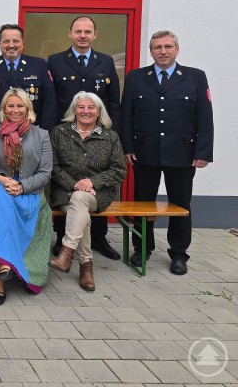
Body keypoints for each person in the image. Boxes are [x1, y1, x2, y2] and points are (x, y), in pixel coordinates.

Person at [121, 30, 214, 275]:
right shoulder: (136, 77)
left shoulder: (195, 77)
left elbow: (204, 117)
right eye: (157, 47)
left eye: (168, 46)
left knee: (181, 204)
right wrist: (127, 146)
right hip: (144, 152)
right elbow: (126, 115)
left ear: (177, 49)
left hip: (182, 153)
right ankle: (142, 248)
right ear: (150, 51)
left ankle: (179, 254)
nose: (163, 51)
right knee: (143, 205)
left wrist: (203, 151)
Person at [47, 16, 121, 261]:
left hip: (97, 135)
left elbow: (113, 102)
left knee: (92, 185)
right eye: (78, 31)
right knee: (66, 184)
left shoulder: (106, 62)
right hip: (66, 134)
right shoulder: (56, 61)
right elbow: (51, 101)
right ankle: (62, 241)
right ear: (70, 34)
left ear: (94, 35)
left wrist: (113, 135)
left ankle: (98, 239)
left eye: (87, 32)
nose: (82, 35)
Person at [0, 88, 52, 305]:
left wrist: (22, 186)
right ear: (3, 109)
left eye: (20, 106)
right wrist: (1, 179)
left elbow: (46, 172)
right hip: (1, 186)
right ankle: (0, 275)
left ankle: (0, 274)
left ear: (28, 108)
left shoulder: (41, 135)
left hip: (28, 193)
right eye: (10, 106)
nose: (15, 110)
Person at [49, 92, 126, 292]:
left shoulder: (110, 137)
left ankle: (67, 252)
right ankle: (85, 266)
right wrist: (76, 185)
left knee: (81, 200)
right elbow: (53, 167)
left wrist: (92, 181)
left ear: (99, 112)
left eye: (91, 108)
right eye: (81, 107)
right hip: (65, 191)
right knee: (79, 203)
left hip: (98, 194)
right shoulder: (59, 133)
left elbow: (119, 171)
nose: (86, 111)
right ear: (74, 110)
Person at [0, 24, 57, 137]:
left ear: (22, 42)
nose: (11, 45)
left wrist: (44, 134)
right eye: (6, 41)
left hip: (31, 133)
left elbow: (50, 103)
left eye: (16, 41)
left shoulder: (39, 65)